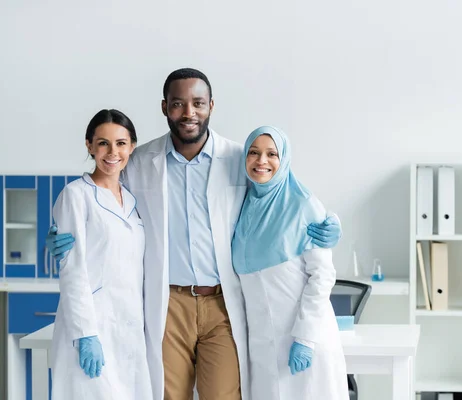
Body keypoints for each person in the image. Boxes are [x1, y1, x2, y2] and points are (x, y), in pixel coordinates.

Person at [47, 68, 342, 400]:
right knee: (170, 395)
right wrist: (61, 234)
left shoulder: (238, 157)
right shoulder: (140, 160)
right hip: (168, 303)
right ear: (164, 107)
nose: (188, 113)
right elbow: (104, 199)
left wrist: (327, 223)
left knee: (224, 395)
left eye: (198, 103)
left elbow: (278, 191)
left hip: (222, 305)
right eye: (178, 103)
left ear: (211, 106)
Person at [232, 125, 348, 400]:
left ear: (283, 159)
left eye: (272, 154)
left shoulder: (303, 204)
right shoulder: (242, 205)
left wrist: (305, 339)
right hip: (261, 346)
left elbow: (322, 276)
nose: (262, 161)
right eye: (254, 152)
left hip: (304, 339)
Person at [50, 109, 152, 399]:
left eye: (120, 143)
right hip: (91, 327)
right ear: (89, 146)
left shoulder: (132, 200)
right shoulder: (76, 195)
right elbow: (72, 270)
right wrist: (86, 334)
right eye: (103, 143)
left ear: (132, 146)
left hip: (130, 330)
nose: (112, 152)